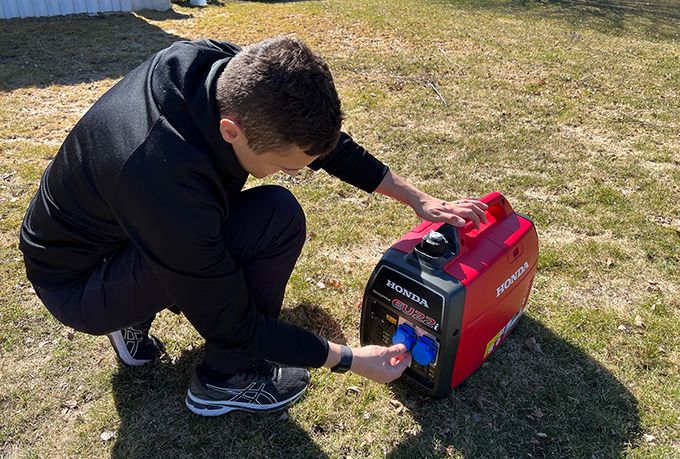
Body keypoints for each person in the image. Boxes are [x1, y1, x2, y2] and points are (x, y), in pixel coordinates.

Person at [19, 37, 488, 416]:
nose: (299, 172)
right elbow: (235, 321)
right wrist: (347, 359)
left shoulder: (222, 71)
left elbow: (325, 144)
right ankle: (225, 380)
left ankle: (142, 304)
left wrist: (415, 197)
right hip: (80, 281)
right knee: (270, 229)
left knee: (274, 212)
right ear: (231, 131)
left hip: (124, 231)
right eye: (287, 164)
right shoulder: (165, 182)